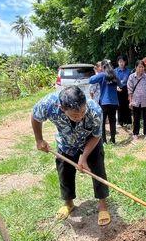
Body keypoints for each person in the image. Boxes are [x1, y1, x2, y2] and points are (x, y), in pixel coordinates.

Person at [31, 85, 111, 226]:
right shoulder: (48, 104)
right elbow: (35, 116)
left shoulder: (95, 110)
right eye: (75, 115)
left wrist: (84, 157)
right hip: (66, 142)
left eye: (82, 112)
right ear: (62, 109)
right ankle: (68, 203)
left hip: (89, 141)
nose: (80, 117)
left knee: (98, 169)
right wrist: (39, 139)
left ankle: (102, 205)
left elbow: (97, 135)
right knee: (64, 171)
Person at [89, 59, 119, 144]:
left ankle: (103, 140)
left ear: (102, 66)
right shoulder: (115, 74)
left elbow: (90, 80)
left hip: (104, 103)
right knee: (112, 121)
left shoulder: (102, 75)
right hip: (114, 102)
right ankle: (113, 140)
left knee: (102, 122)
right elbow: (120, 84)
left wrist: (96, 72)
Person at [127, 60, 146, 140]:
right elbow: (130, 91)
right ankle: (135, 133)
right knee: (136, 118)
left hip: (145, 100)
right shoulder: (131, 77)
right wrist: (130, 102)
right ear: (136, 67)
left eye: (142, 67)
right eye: (139, 67)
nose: (141, 69)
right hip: (136, 101)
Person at [115, 56, 132, 126]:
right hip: (118, 90)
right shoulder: (115, 71)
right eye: (120, 62)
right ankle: (120, 121)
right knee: (119, 106)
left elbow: (131, 81)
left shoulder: (128, 71)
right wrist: (116, 87)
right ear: (118, 63)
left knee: (127, 105)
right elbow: (113, 81)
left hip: (126, 89)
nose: (121, 63)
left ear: (125, 62)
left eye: (122, 61)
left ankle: (128, 121)